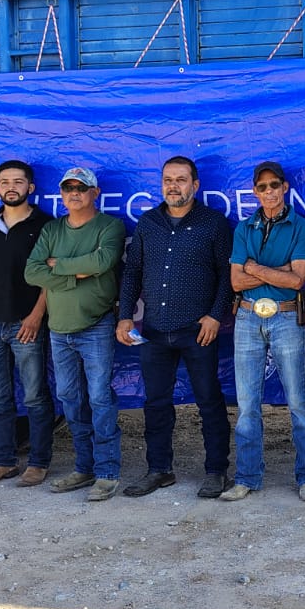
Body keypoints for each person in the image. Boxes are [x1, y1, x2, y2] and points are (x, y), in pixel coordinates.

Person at [117, 156, 234, 499]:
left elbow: (227, 275)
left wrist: (215, 316)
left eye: (181, 180)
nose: (173, 186)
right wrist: (125, 315)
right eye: (168, 179)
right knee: (155, 403)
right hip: (154, 330)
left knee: (209, 401)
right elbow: (132, 271)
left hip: (198, 330)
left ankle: (216, 472)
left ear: (195, 185)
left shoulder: (213, 223)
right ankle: (159, 470)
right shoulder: (148, 222)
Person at [25, 166, 126, 502]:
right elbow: (32, 272)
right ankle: (84, 468)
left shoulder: (109, 226)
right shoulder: (52, 229)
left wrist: (58, 265)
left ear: (94, 193)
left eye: (81, 188)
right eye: (68, 188)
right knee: (70, 398)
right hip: (59, 329)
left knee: (99, 399)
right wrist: (74, 275)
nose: (74, 194)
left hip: (96, 325)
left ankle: (107, 472)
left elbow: (102, 262)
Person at [222, 160, 305, 503]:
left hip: (287, 317)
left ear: (284, 187)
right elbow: (236, 282)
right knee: (247, 404)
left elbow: (297, 280)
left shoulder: (302, 227)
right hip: (247, 317)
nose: (269, 192)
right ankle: (247, 477)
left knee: (298, 402)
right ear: (255, 191)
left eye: (274, 185)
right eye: (262, 187)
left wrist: (253, 267)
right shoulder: (243, 228)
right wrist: (278, 272)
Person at [0, 160, 54, 487]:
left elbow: (52, 276)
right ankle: (3, 462)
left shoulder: (46, 225)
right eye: (5, 182)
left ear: (31, 187)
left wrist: (36, 315)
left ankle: (39, 463)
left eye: (18, 181)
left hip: (26, 324)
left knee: (35, 397)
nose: (11, 187)